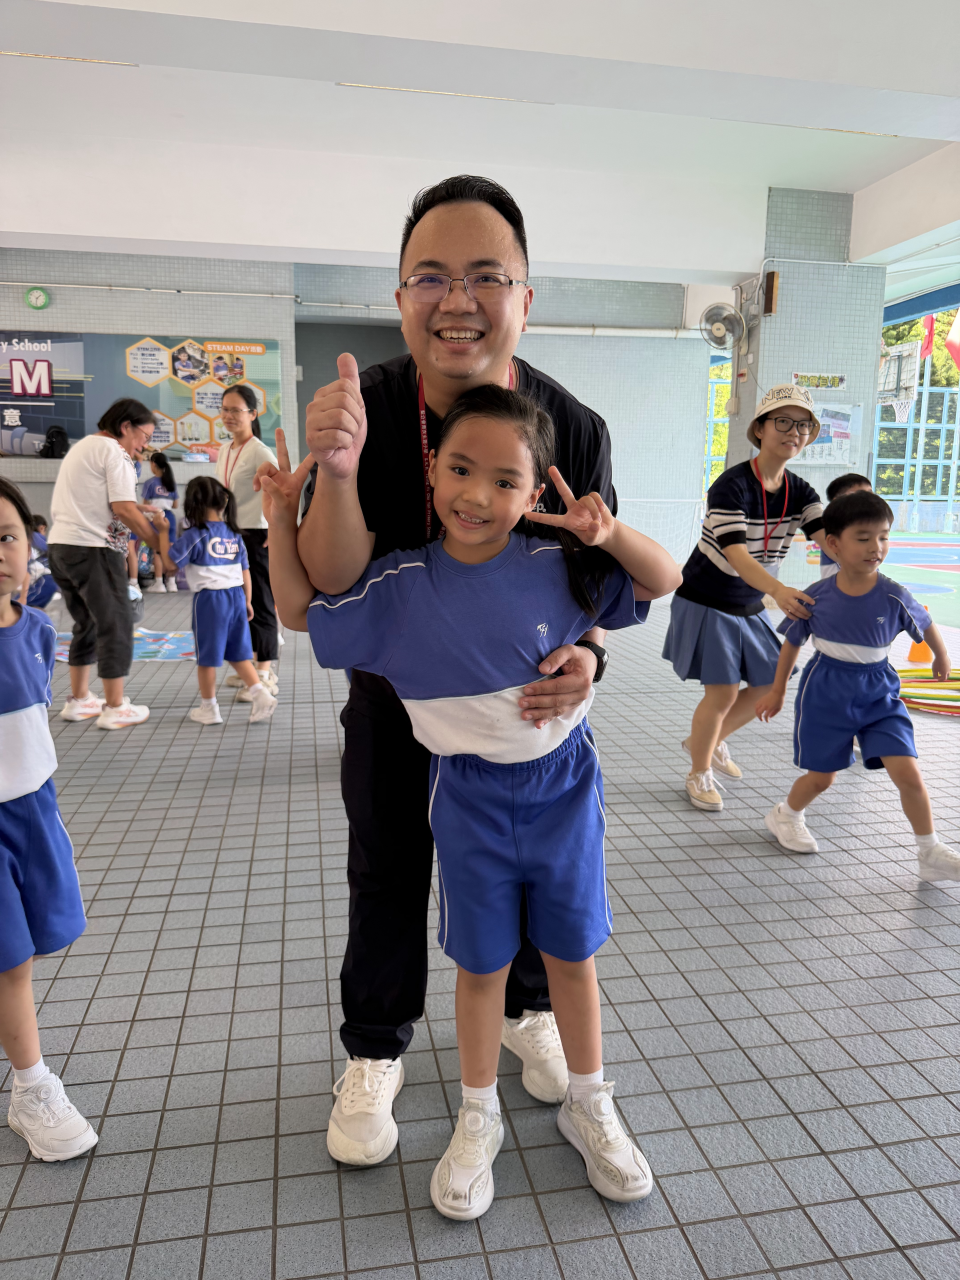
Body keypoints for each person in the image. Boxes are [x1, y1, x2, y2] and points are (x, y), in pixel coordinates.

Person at [255, 175, 620, 1163]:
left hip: (523, 706)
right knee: (387, 861)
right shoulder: (365, 408)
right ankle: (376, 1046)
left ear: (525, 299)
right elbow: (329, 585)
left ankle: (529, 1008)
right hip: (395, 698)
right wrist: (338, 470)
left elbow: (597, 579)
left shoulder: (573, 427)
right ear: (401, 295)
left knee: (530, 864)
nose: (457, 300)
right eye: (431, 277)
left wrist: (589, 655)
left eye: (486, 277)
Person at [263, 385, 680, 1214]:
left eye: (503, 481)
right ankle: (477, 1115)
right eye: (459, 469)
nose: (477, 495)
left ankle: (590, 1103)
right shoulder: (398, 588)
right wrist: (281, 518)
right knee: (482, 966)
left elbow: (663, 579)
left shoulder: (558, 567)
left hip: (564, 790)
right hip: (468, 800)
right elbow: (301, 611)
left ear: (531, 495)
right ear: (431, 469)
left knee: (573, 957)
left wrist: (608, 533)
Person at [756, 490, 960, 881]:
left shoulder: (894, 594)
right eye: (863, 538)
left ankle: (929, 850)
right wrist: (778, 690)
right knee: (822, 777)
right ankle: (786, 815)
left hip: (879, 692)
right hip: (826, 690)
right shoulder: (815, 597)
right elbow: (792, 643)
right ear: (834, 544)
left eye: (883, 537)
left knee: (908, 773)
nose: (875, 547)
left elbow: (926, 622)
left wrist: (942, 655)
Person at [663, 385, 827, 811]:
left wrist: (866, 558)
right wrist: (779, 591)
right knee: (721, 694)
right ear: (759, 429)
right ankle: (699, 771)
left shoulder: (801, 492)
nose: (794, 432)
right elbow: (736, 555)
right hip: (707, 597)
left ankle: (706, 741)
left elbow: (828, 538)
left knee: (769, 683)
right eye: (783, 422)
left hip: (748, 599)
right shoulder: (731, 486)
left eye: (803, 425)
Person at [0, 477, 99, 1162]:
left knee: (28, 946)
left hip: (35, 810)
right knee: (12, 962)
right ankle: (31, 1085)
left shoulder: (37, 628)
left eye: (6, 536)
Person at [47, 398, 161, 729]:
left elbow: (100, 502)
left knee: (88, 623)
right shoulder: (115, 452)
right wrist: (158, 545)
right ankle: (115, 707)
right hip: (94, 549)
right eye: (144, 436)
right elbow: (122, 509)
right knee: (116, 623)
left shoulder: (85, 446)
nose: (144, 445)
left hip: (62, 547)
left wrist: (138, 510)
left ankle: (80, 700)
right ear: (126, 426)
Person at [152, 477, 277, 726]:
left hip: (210, 600)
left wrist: (163, 532)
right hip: (237, 597)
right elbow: (245, 571)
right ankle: (260, 694)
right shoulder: (234, 534)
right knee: (238, 653)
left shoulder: (196, 535)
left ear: (192, 503)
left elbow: (169, 565)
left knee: (207, 657)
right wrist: (248, 601)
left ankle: (209, 708)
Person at [215, 384, 279, 694]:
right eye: (225, 409)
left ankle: (265, 671)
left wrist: (277, 530)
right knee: (241, 602)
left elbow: (282, 492)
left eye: (235, 410)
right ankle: (251, 667)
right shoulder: (224, 450)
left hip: (257, 534)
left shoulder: (260, 451)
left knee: (261, 600)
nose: (228, 415)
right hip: (231, 535)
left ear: (253, 414)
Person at [819, 473, 872, 578]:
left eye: (870, 494)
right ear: (838, 501)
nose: (868, 500)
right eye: (860, 495)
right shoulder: (833, 525)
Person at [142, 452, 180, 593]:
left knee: (158, 550)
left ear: (153, 464)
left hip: (156, 518)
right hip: (170, 518)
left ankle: (159, 583)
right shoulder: (171, 482)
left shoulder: (150, 483)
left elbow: (145, 505)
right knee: (170, 550)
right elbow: (175, 505)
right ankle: (172, 583)